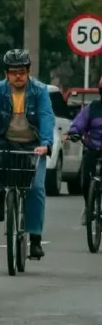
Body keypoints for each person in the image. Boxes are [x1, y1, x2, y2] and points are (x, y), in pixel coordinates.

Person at [0, 48, 54, 260]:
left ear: (28, 72)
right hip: (5, 142)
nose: (18, 76)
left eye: (21, 71)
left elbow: (47, 117)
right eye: (13, 72)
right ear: (6, 74)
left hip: (33, 146)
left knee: (36, 187)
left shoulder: (39, 91)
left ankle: (36, 239)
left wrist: (46, 143)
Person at [66, 76, 102, 224]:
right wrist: (74, 132)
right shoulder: (92, 107)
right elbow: (79, 122)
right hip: (92, 148)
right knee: (86, 180)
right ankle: (89, 207)